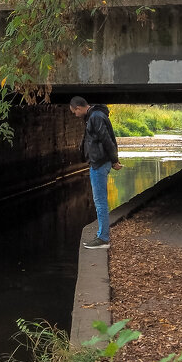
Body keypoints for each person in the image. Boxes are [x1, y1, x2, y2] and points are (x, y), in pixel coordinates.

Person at [69, 96, 122, 249]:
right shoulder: (95, 116)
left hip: (99, 163)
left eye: (74, 112)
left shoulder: (95, 117)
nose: (75, 115)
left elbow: (107, 140)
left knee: (100, 202)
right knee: (100, 201)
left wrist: (114, 161)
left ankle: (103, 239)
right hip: (98, 162)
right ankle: (101, 235)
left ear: (78, 107)